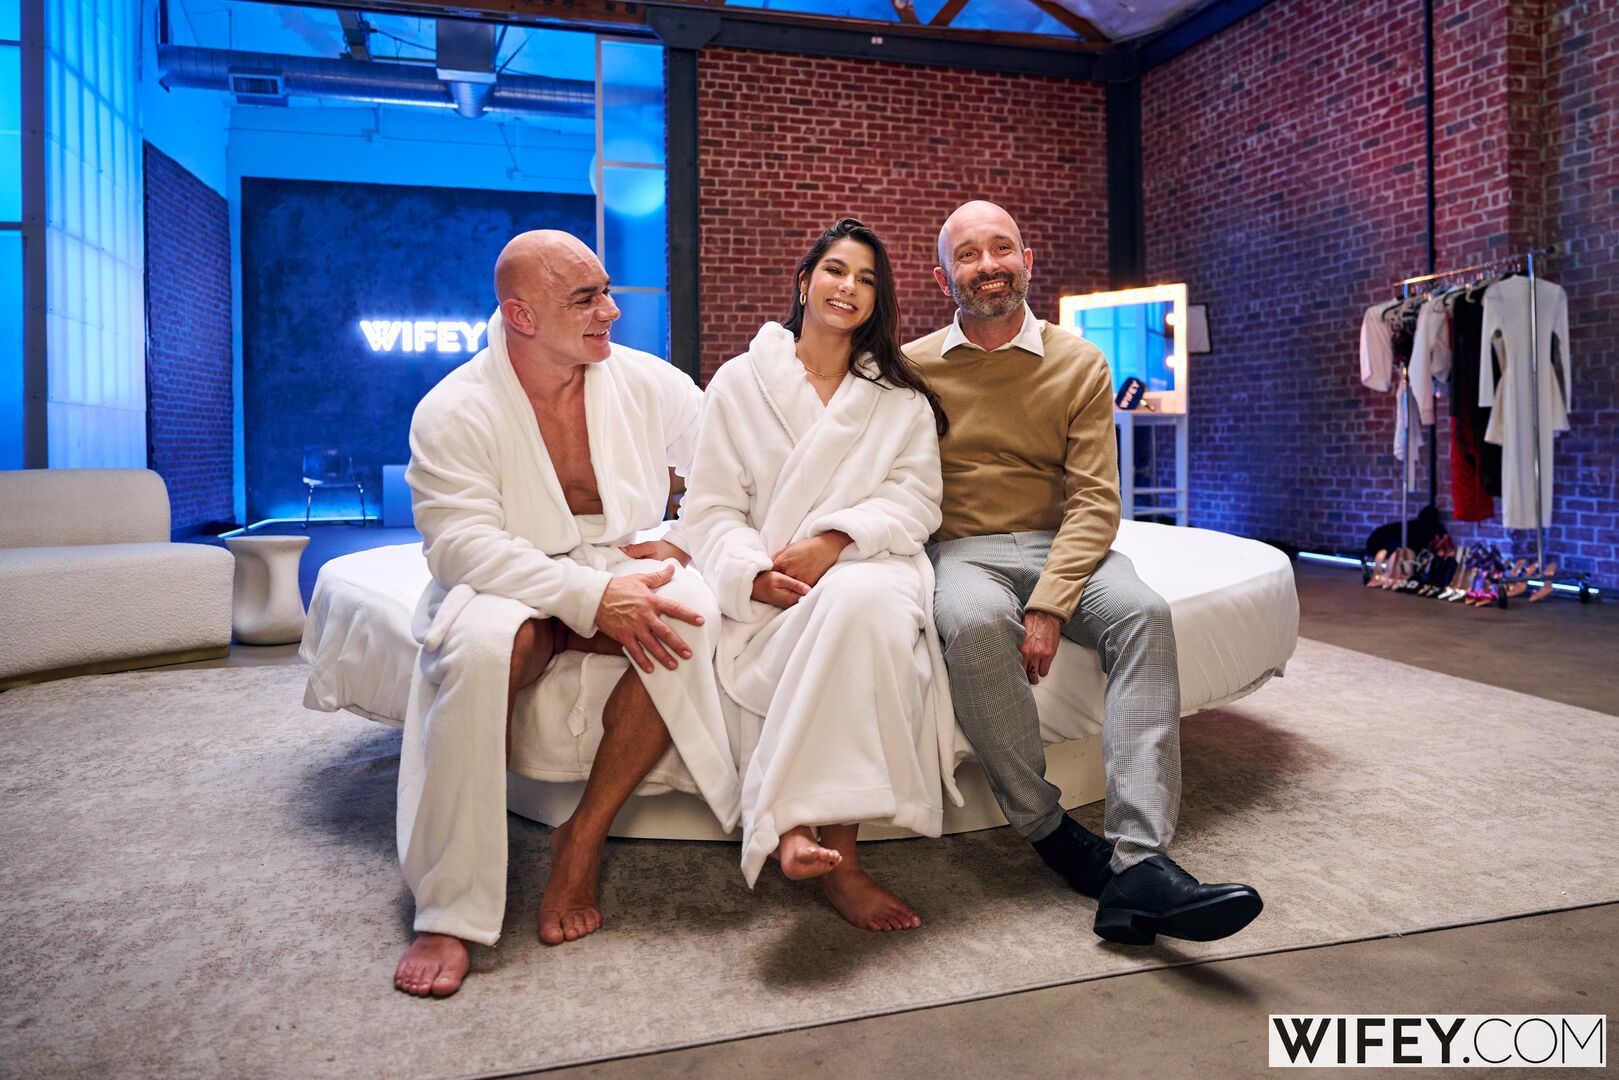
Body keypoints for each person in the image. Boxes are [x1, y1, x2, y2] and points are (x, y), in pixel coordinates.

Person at [392, 230, 740, 996]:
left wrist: (681, 539)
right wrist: (586, 599)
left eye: (606, 290)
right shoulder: (452, 409)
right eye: (585, 299)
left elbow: (730, 472)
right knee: (482, 651)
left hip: (617, 556)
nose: (611, 311)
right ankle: (448, 906)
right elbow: (459, 546)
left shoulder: (646, 382)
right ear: (520, 316)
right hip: (507, 571)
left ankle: (581, 838)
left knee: (683, 618)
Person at [906, 201, 1262, 945]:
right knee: (974, 623)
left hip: (1061, 540)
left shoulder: (1078, 362)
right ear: (942, 278)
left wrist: (1050, 604)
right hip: (963, 548)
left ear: (1027, 261)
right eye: (967, 254)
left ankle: (1139, 862)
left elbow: (1097, 499)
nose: (988, 265)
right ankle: (1049, 830)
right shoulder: (912, 368)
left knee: (1143, 614)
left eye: (1001, 248)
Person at [680, 219, 958, 931]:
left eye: (866, 280)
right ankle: (804, 832)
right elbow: (709, 509)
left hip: (869, 564)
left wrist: (835, 540)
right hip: (771, 582)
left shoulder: (898, 398)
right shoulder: (739, 384)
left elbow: (916, 502)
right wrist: (751, 573)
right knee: (835, 616)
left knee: (860, 608)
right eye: (836, 270)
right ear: (805, 281)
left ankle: (818, 842)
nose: (848, 287)